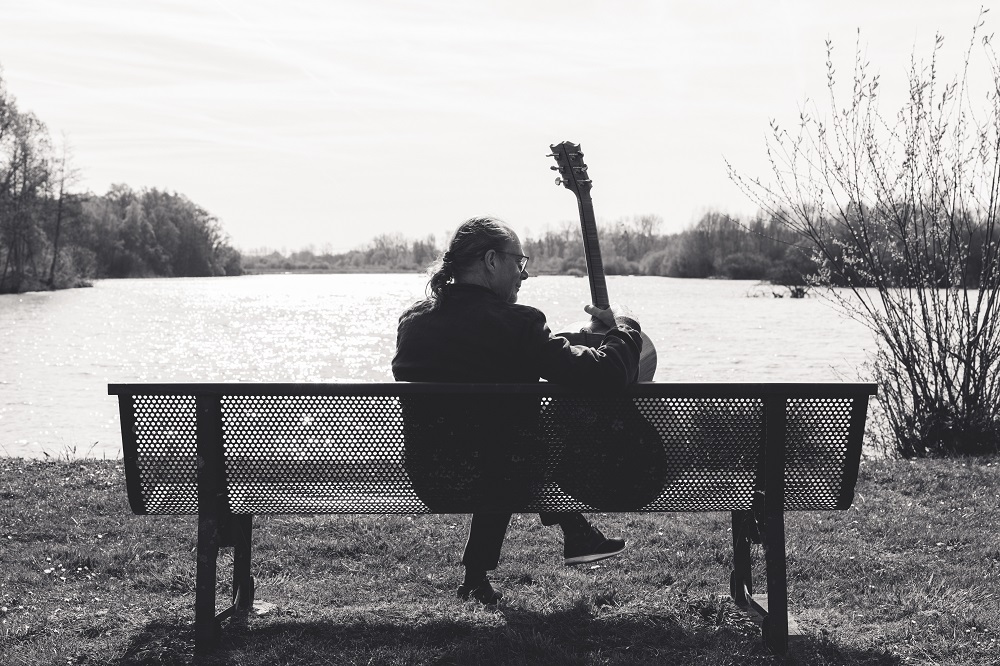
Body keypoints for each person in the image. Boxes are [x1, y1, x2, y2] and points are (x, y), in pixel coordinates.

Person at [391, 215, 646, 605]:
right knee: (531, 434)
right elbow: (606, 374)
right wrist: (624, 329)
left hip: (431, 477)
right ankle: (575, 530)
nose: (523, 275)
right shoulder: (519, 324)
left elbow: (475, 354)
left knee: (502, 439)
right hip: (502, 474)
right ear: (492, 260)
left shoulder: (414, 323)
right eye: (519, 262)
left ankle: (490, 572)